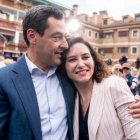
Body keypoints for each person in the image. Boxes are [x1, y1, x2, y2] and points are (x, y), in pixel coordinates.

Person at [0, 5, 75, 140]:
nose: (65, 45)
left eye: (65, 37)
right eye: (57, 37)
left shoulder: (69, 74)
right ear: (32, 36)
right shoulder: (4, 80)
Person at [60, 37, 140, 140]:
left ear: (93, 60)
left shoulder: (114, 84)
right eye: (72, 59)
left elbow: (136, 136)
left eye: (85, 57)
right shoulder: (69, 98)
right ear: (63, 67)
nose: (81, 64)